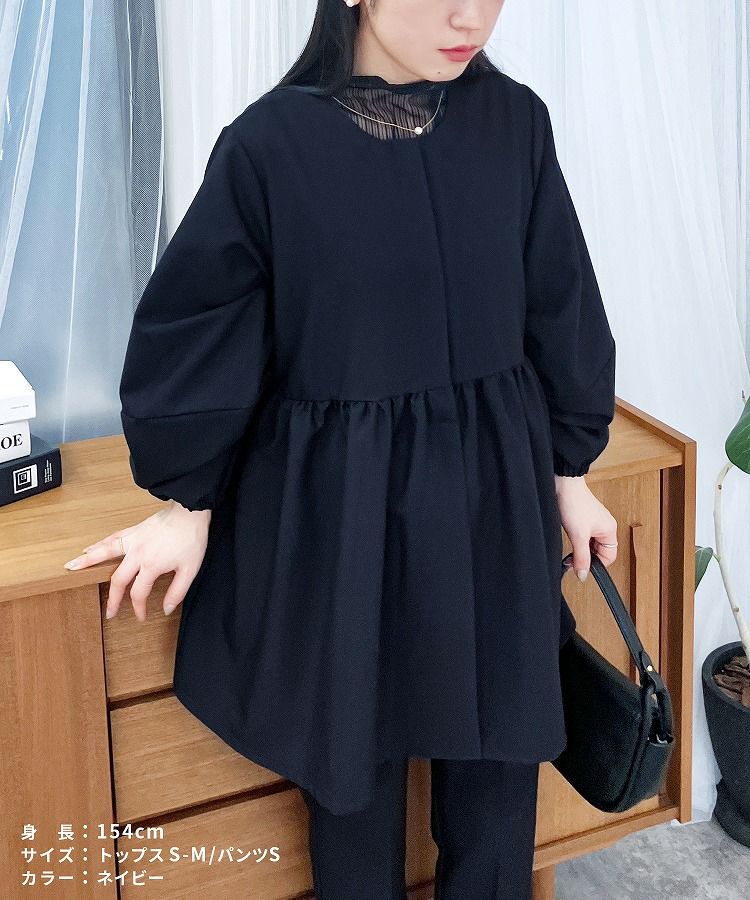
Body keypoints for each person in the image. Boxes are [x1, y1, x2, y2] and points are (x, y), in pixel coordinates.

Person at [64, 1, 619, 897]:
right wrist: (188, 500)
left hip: (492, 502)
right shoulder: (268, 148)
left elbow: (560, 302)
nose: (470, 15)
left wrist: (571, 471)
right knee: (351, 772)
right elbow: (204, 327)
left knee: (499, 773)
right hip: (348, 514)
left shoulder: (515, 122)